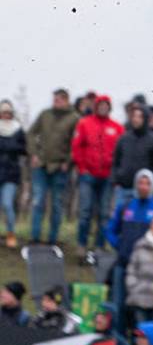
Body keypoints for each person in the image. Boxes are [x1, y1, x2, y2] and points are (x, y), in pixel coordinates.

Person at [71, 93, 122, 256]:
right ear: (96, 107)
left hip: (107, 176)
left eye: (106, 106)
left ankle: (99, 246)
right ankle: (81, 245)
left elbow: (121, 152)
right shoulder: (85, 124)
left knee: (104, 213)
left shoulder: (117, 128)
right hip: (88, 175)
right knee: (85, 211)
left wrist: (115, 171)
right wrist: (81, 167)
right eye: (100, 105)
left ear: (110, 108)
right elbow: (77, 146)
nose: (103, 108)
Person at [28, 88, 79, 243]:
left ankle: (53, 238)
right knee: (38, 201)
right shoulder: (45, 114)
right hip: (41, 165)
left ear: (66, 100)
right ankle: (35, 237)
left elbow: (76, 143)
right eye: (54, 99)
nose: (55, 102)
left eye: (59, 99)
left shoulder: (74, 118)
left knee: (57, 204)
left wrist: (68, 161)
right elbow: (31, 133)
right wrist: (34, 153)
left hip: (60, 167)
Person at [0, 101, 26, 248]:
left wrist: (8, 146)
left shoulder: (18, 129)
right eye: (4, 112)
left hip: (11, 174)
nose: (6, 115)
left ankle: (11, 234)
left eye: (8, 113)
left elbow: (23, 149)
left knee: (7, 204)